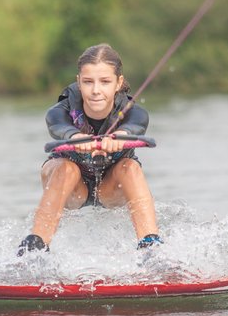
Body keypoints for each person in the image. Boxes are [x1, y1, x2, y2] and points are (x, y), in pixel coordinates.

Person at [18, 44, 162, 255]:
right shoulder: (63, 109)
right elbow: (55, 123)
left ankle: (152, 249)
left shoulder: (130, 111)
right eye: (88, 82)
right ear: (78, 82)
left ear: (118, 83)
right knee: (67, 169)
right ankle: (33, 251)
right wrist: (75, 137)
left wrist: (120, 136)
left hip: (111, 187)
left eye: (105, 82)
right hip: (72, 187)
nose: (96, 90)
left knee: (130, 167)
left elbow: (140, 121)